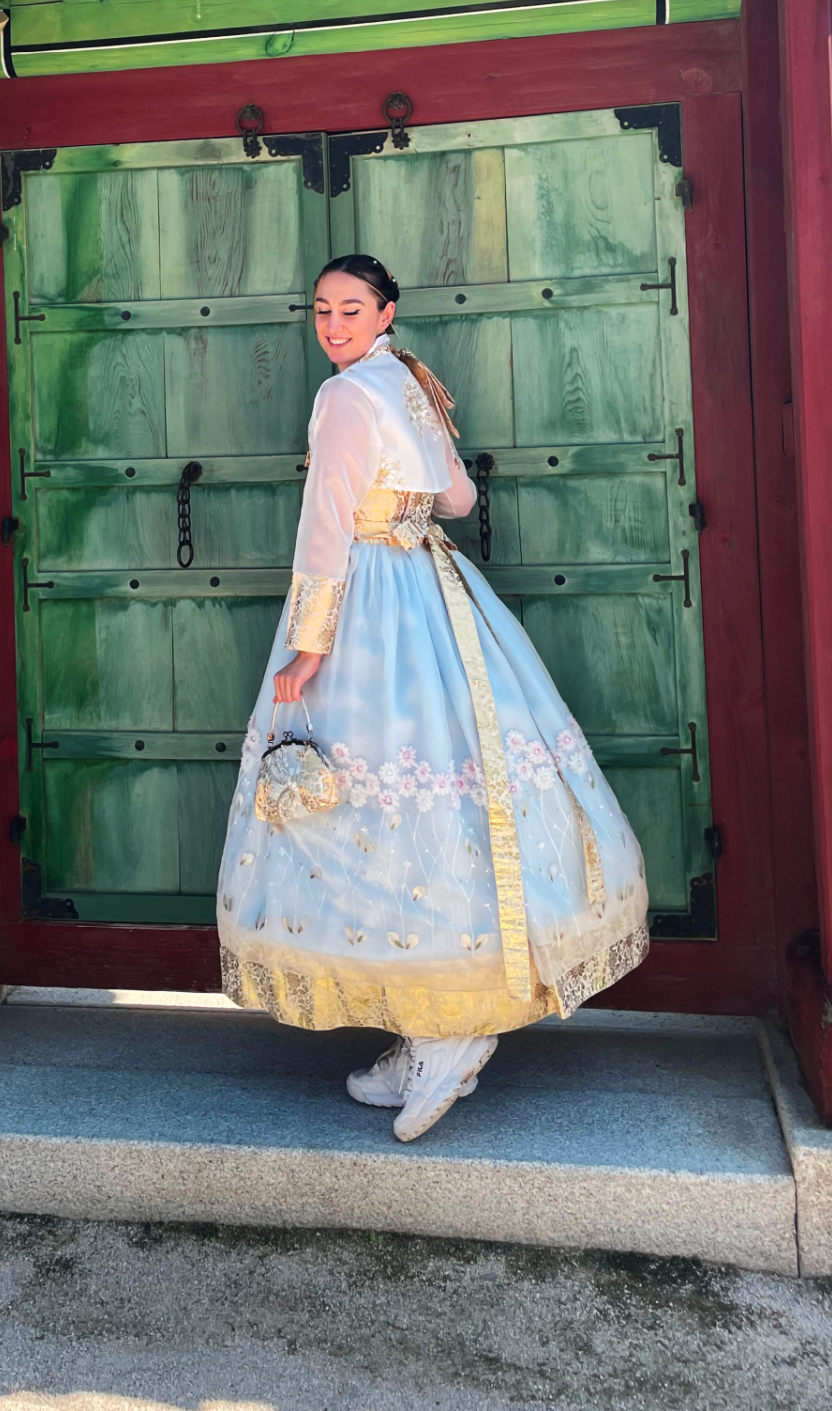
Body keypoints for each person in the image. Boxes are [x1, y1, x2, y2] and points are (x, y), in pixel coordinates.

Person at [218, 254, 650, 1142]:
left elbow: (326, 523)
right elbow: (456, 494)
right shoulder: (407, 381)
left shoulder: (345, 396)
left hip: (369, 610)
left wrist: (307, 646)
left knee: (366, 806)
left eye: (351, 309)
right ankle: (432, 1030)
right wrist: (407, 510)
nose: (334, 324)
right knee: (439, 801)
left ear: (385, 313)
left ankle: (448, 1034)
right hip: (436, 593)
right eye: (322, 309)